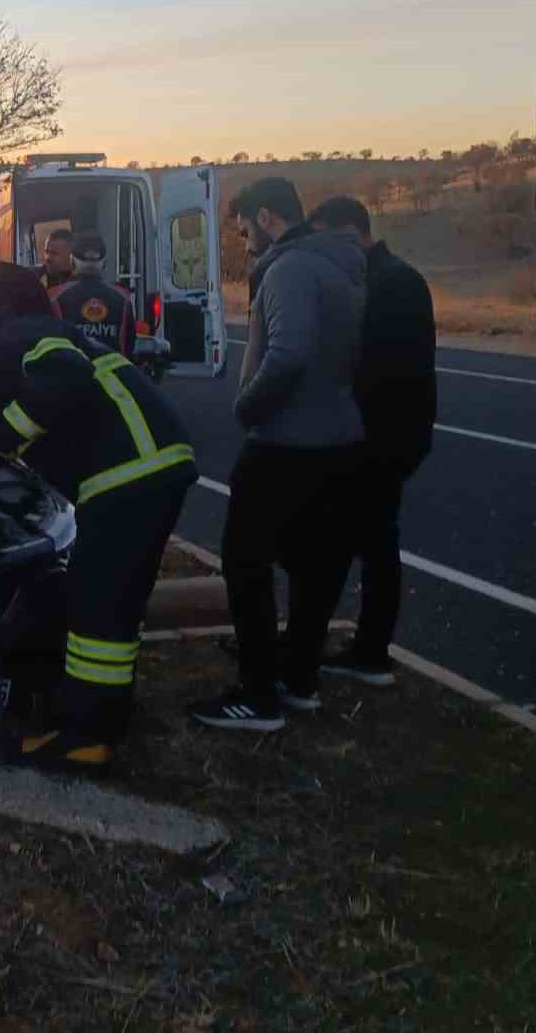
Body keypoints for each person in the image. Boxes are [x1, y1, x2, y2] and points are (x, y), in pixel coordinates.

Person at [0, 309, 197, 771]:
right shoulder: (22, 340)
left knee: (99, 603)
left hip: (130, 472)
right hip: (144, 469)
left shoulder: (18, 332)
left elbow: (66, 378)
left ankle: (86, 736)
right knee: (109, 602)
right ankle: (97, 721)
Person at [190, 178, 366, 732]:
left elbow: (287, 355)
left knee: (245, 563)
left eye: (244, 229)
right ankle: (299, 680)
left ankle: (259, 694)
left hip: (284, 445)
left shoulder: (289, 269)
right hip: (339, 442)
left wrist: (247, 407)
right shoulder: (343, 267)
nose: (243, 243)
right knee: (315, 566)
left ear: (267, 217)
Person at [308, 196, 435, 687]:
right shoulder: (388, 277)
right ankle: (358, 645)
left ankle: (369, 651)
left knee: (369, 540)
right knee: (366, 538)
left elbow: (378, 372)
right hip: (383, 431)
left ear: (348, 232)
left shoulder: (390, 283)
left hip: (380, 435)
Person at [51, 234, 135, 356]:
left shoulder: (54, 296)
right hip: (114, 374)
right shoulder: (123, 298)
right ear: (104, 263)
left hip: (69, 372)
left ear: (72, 262)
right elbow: (129, 345)